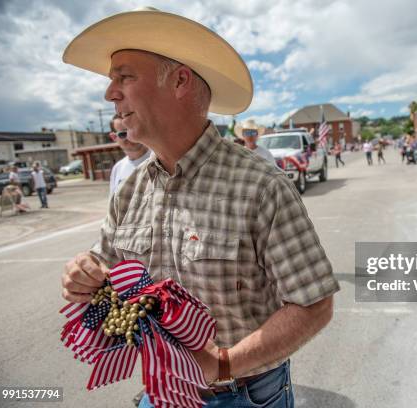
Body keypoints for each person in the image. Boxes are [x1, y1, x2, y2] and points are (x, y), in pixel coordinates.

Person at [60, 7, 339, 407]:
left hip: (243, 394)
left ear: (179, 81)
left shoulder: (259, 185)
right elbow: (102, 268)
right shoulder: (130, 189)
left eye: (124, 76)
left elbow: (314, 304)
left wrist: (222, 364)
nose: (110, 93)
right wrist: (82, 274)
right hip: (162, 392)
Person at [108, 114, 151, 196]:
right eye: (123, 134)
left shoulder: (161, 159)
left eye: (133, 130)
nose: (131, 137)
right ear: (113, 137)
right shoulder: (117, 168)